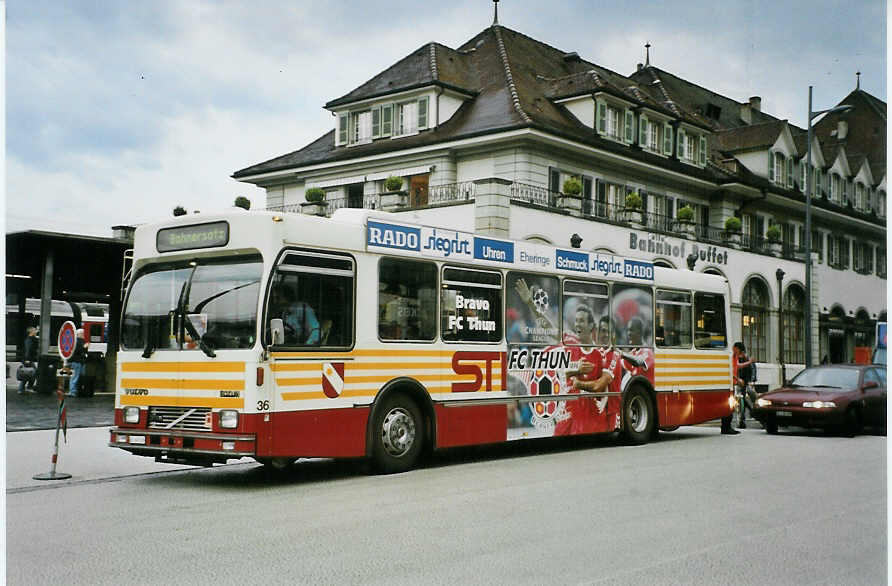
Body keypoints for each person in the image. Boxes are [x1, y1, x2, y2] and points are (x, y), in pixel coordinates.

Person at [554, 304, 616, 436]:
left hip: (589, 415)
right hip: (569, 411)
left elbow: (602, 384)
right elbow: (559, 374)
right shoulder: (570, 345)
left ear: (591, 326)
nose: (577, 324)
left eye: (581, 321)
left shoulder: (600, 354)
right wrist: (576, 370)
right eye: (576, 320)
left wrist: (604, 400)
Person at [732, 341, 755, 428]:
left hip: (743, 382)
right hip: (738, 381)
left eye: (735, 348)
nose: (733, 349)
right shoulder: (734, 357)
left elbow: (750, 369)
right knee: (741, 399)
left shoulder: (743, 357)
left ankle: (744, 418)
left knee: (742, 399)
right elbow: (736, 367)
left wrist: (750, 380)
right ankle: (751, 413)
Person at [68, 328, 89, 397]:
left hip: (76, 361)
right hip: (78, 361)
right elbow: (81, 351)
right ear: (79, 334)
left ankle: (75, 391)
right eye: (82, 334)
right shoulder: (79, 341)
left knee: (75, 377)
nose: (83, 335)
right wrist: (85, 347)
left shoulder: (74, 341)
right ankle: (72, 392)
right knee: (76, 377)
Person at [18, 327, 38, 394]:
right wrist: (27, 359)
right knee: (31, 373)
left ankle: (21, 389)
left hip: (28, 359)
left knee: (27, 373)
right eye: (35, 330)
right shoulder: (29, 340)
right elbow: (28, 350)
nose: (36, 331)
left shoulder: (31, 339)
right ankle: (27, 387)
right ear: (31, 332)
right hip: (28, 359)